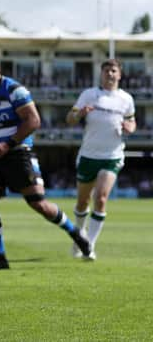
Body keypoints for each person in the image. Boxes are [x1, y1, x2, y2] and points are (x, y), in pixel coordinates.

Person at [0, 52, 91, 270]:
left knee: (39, 204)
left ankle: (76, 233)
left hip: (18, 153)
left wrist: (6, 144)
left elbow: (34, 120)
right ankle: (0, 258)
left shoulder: (13, 90)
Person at [65, 59, 136, 260]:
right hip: (89, 155)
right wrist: (80, 113)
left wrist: (130, 128)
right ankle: (79, 236)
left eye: (113, 71)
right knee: (82, 202)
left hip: (112, 155)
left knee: (101, 198)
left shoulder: (126, 99)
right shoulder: (89, 94)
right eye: (106, 71)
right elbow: (69, 119)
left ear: (119, 75)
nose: (110, 74)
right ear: (101, 73)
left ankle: (89, 246)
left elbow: (132, 121)